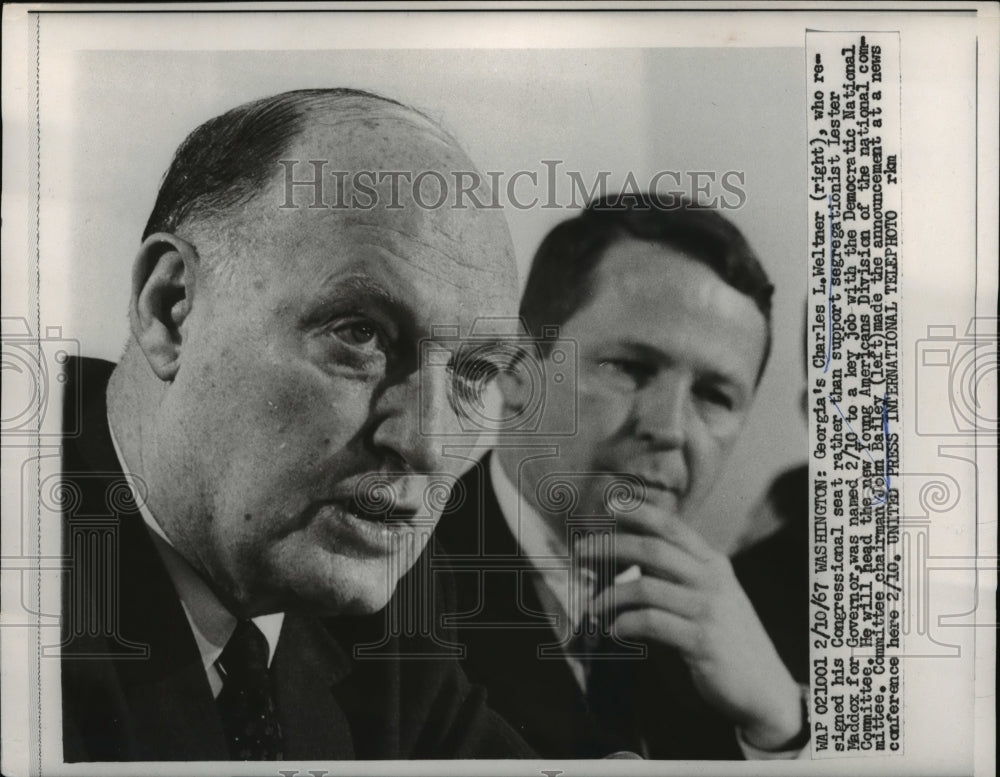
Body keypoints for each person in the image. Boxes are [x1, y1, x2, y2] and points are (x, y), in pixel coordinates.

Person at [59, 88, 534, 761]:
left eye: (475, 373)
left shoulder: (377, 600)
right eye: (360, 333)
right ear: (170, 309)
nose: (425, 444)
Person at [434, 193, 808, 759]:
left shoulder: (742, 630)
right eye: (629, 367)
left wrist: (780, 727)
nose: (669, 429)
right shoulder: (390, 589)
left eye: (713, 395)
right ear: (513, 368)